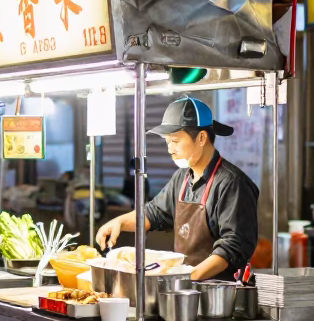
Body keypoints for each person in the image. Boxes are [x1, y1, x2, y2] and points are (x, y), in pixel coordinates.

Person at [96, 96, 258, 281]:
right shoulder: (182, 177)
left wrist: (186, 277)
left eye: (175, 140)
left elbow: (232, 247)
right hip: (183, 292)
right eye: (167, 142)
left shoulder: (232, 183)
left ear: (202, 138)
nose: (170, 149)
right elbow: (154, 213)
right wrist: (119, 222)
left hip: (217, 296)